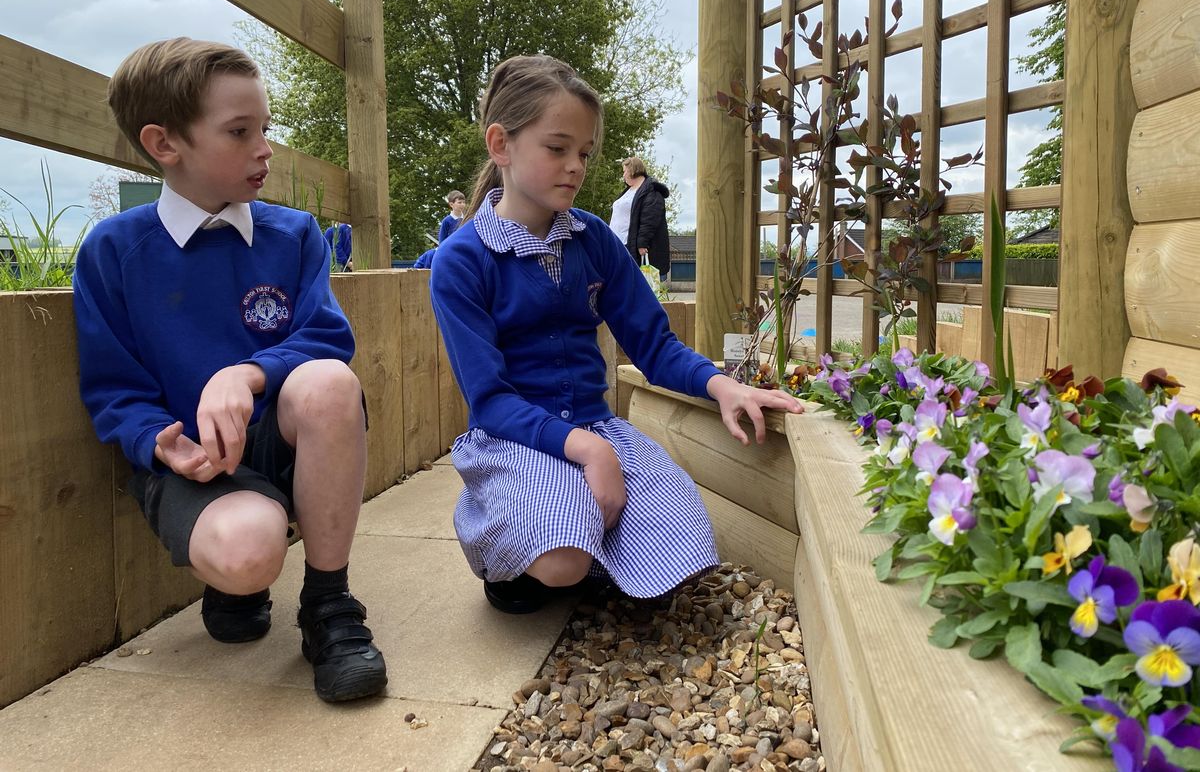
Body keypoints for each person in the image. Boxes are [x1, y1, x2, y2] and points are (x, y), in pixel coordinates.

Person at [72, 38, 387, 702]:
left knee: (330, 382)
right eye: (240, 132)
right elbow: (113, 388)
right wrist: (158, 440)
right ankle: (237, 575)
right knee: (247, 555)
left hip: (282, 437)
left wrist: (245, 374)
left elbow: (326, 335)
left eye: (265, 128)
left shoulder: (294, 233)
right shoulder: (114, 251)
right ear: (165, 143)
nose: (266, 149)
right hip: (194, 463)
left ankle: (328, 605)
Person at [430, 54, 804, 614]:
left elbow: (654, 345)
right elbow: (490, 399)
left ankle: (589, 545)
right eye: (557, 149)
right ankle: (505, 545)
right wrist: (588, 451)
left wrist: (722, 385)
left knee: (687, 544)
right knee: (562, 558)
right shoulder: (462, 260)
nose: (575, 167)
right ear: (501, 144)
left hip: (596, 425)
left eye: (584, 153)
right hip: (516, 438)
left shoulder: (593, 239)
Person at [610, 156, 671, 280]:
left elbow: (650, 218)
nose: (623, 175)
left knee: (635, 281)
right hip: (618, 243)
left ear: (632, 170)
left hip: (631, 246)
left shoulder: (651, 191)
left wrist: (643, 242)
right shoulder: (629, 191)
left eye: (624, 171)